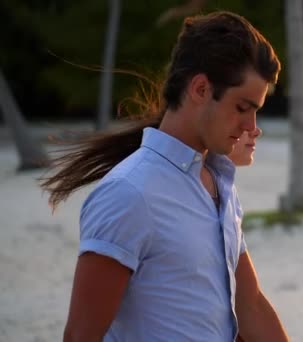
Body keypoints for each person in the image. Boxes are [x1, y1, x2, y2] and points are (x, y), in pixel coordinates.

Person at [41, 11, 288, 342]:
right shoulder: (130, 193)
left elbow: (251, 306)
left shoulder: (218, 184)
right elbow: (80, 336)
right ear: (200, 88)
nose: (252, 127)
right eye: (243, 108)